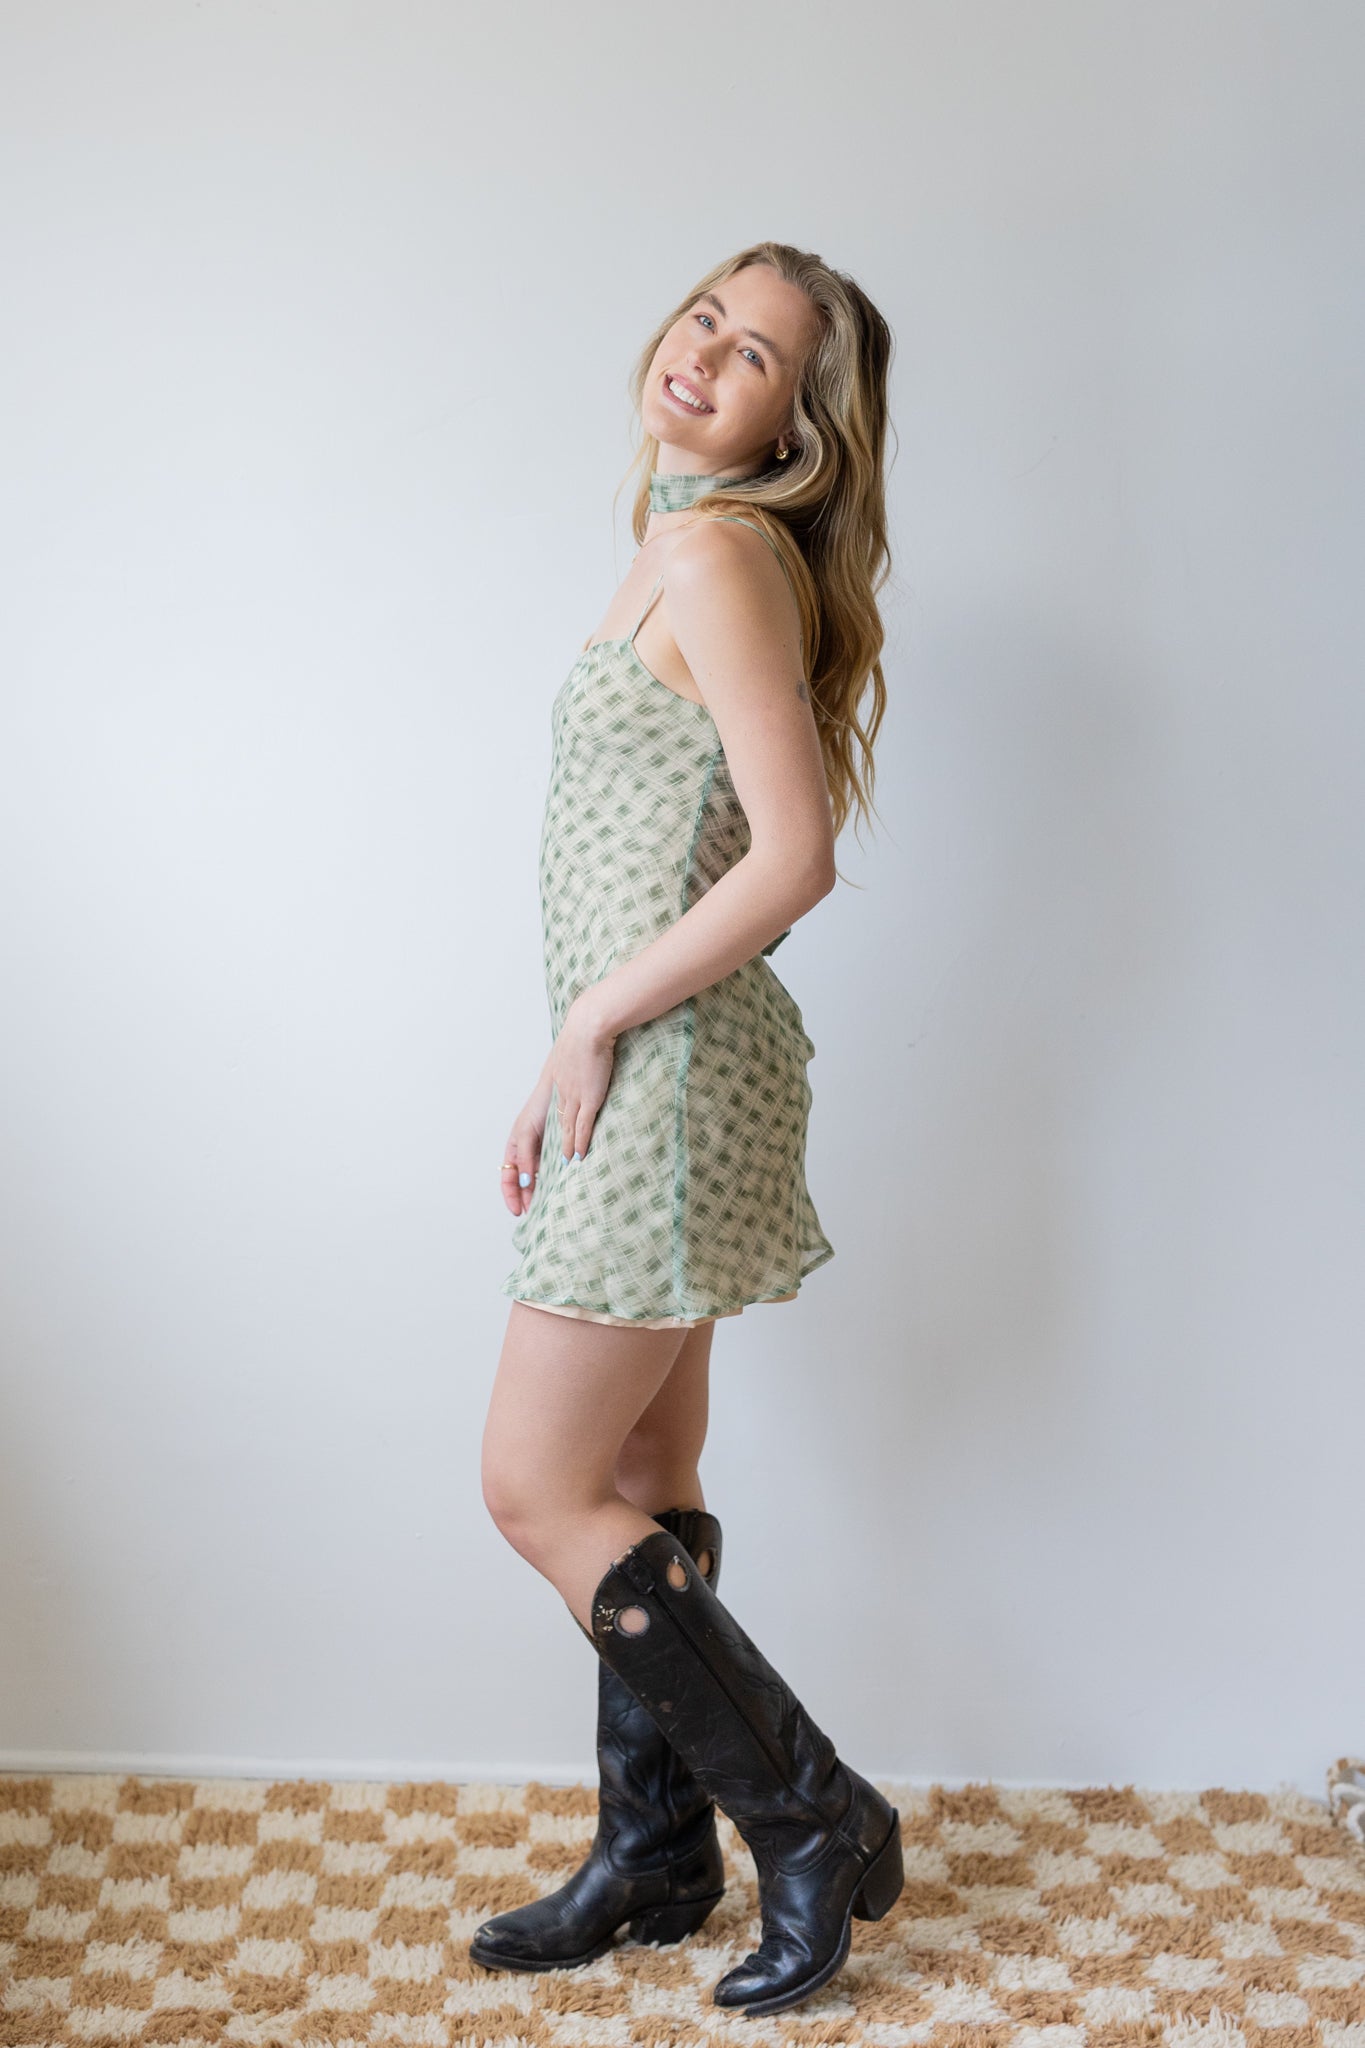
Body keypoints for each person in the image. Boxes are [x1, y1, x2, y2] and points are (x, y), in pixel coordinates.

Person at [474, 241, 898, 2020]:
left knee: (534, 1485)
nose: (709, 356)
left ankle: (808, 1818)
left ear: (799, 429)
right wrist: (568, 1037)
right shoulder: (684, 547)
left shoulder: (718, 553)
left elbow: (792, 857)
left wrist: (591, 1019)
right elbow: (671, 865)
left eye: (760, 356)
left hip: (668, 1079)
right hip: (666, 1066)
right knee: (641, 1484)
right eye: (705, 318)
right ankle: (658, 1855)